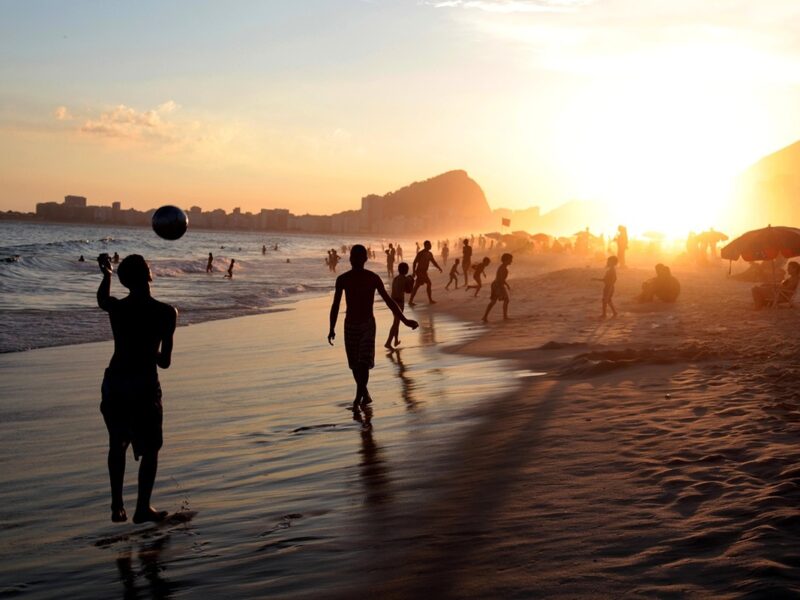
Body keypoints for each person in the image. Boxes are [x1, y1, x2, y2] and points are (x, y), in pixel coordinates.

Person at [96, 254, 177, 524]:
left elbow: (102, 301)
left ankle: (117, 505)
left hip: (116, 380)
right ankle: (143, 507)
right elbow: (164, 362)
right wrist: (148, 349)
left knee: (117, 443)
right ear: (149, 275)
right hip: (143, 384)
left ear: (124, 281)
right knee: (151, 448)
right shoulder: (166, 313)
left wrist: (106, 274)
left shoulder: (118, 309)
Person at [328, 245, 418, 414]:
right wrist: (331, 327)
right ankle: (364, 392)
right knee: (355, 365)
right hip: (350, 325)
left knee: (363, 363)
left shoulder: (372, 278)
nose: (354, 260)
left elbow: (389, 301)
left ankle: (358, 395)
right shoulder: (343, 279)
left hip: (367, 325)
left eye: (356, 257)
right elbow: (335, 305)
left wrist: (405, 320)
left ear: (359, 259)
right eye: (354, 257)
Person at [385, 262, 414, 349]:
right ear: (406, 270)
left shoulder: (396, 278)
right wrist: (412, 281)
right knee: (396, 322)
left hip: (392, 301)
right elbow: (409, 291)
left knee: (396, 321)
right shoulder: (406, 279)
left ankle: (396, 340)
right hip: (400, 303)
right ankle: (388, 342)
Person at [409, 240, 443, 306]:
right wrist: (414, 272)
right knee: (427, 284)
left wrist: (439, 267)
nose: (430, 246)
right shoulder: (420, 253)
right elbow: (414, 262)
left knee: (418, 286)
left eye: (430, 245)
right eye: (429, 245)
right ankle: (429, 300)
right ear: (426, 246)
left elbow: (433, 262)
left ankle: (411, 301)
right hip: (420, 272)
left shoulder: (430, 254)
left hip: (424, 272)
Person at [483, 253, 513, 322]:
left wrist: (506, 284)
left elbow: (500, 279)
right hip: (498, 285)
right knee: (506, 300)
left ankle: (485, 316)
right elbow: (501, 280)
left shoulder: (502, 267)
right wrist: (505, 286)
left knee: (493, 302)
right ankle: (505, 316)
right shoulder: (503, 269)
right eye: (510, 260)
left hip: (495, 285)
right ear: (506, 260)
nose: (511, 261)